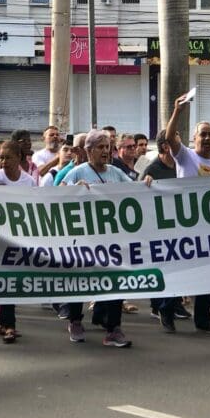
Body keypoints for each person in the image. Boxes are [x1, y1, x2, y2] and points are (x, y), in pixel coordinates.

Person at [61, 129, 133, 347]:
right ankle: (75, 320)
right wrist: (74, 190)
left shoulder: (115, 172)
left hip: (111, 240)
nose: (105, 151)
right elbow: (58, 195)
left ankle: (113, 329)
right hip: (84, 240)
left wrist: (148, 182)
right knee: (80, 280)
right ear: (88, 150)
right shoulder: (77, 172)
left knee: (115, 280)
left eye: (107, 146)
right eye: (100, 147)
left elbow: (135, 191)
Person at [165, 93, 210, 335]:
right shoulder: (185, 156)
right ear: (194, 138)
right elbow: (170, 137)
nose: (208, 138)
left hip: (208, 229)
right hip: (184, 226)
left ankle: (203, 319)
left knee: (207, 275)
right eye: (203, 134)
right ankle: (167, 310)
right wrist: (177, 112)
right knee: (179, 273)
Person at [0, 140, 37, 343]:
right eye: (1, 157)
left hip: (18, 239)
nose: (3, 162)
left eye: (8, 158)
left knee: (12, 280)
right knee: (4, 279)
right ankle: (6, 324)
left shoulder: (29, 182)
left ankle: (7, 324)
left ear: (20, 159)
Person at [140, 130, 191, 330]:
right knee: (165, 271)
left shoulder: (181, 165)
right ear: (165, 147)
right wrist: (146, 186)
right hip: (158, 229)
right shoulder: (153, 169)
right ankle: (164, 308)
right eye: (176, 140)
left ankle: (171, 306)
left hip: (179, 227)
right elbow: (139, 195)